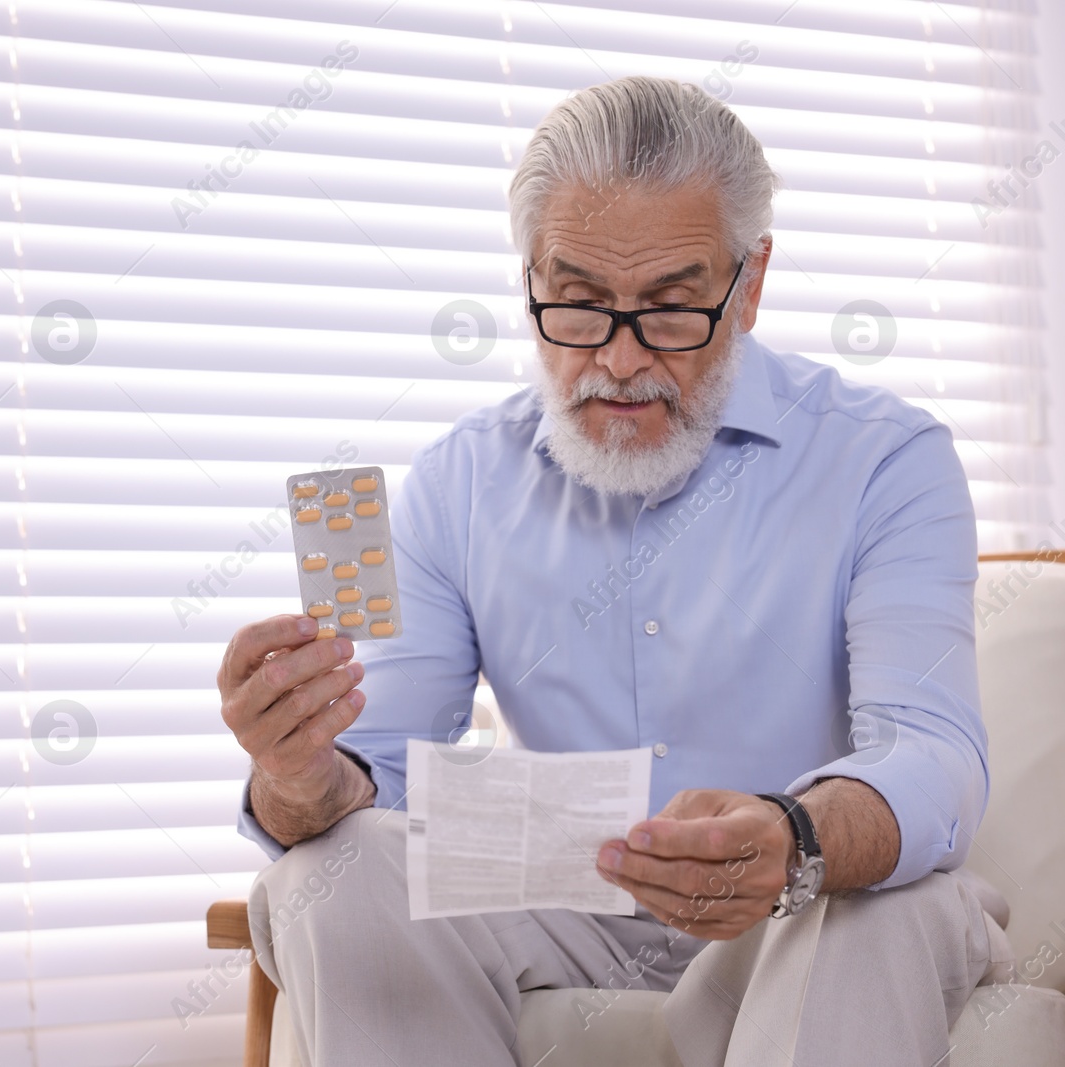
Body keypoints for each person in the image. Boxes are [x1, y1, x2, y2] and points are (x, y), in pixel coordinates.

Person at [216, 76, 1005, 1067]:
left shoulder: (886, 458)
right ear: (529, 279)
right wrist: (294, 769)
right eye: (579, 305)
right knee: (334, 866)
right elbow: (371, 773)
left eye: (672, 311)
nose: (620, 362)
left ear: (748, 283)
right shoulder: (463, 478)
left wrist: (793, 835)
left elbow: (928, 750)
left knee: (879, 904)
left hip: (798, 904)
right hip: (564, 897)